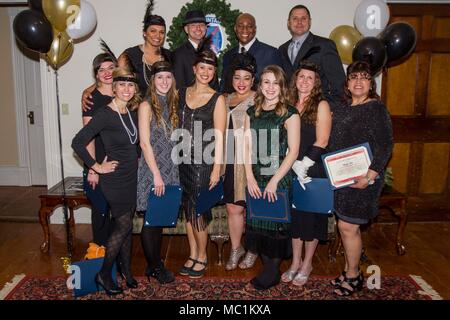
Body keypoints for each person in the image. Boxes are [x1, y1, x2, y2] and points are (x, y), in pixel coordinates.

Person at [72, 68, 141, 295]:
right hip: (114, 179)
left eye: (130, 85)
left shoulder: (130, 111)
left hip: (131, 177)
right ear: (114, 88)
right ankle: (104, 272)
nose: (126, 89)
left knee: (127, 225)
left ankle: (127, 272)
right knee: (123, 226)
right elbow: (78, 142)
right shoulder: (105, 113)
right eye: (121, 85)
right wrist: (96, 166)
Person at [328, 61, 393, 296]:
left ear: (371, 83)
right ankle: (347, 270)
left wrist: (370, 176)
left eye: (364, 77)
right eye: (353, 77)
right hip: (343, 178)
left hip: (365, 179)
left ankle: (354, 277)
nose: (358, 81)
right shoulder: (344, 108)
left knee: (348, 226)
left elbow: (386, 146)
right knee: (344, 226)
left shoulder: (376, 108)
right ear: (347, 82)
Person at [244, 65, 300, 290]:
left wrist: (275, 181)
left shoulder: (290, 113)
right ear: (260, 86)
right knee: (259, 226)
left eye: (275, 82)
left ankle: (270, 273)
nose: (270, 87)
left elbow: (294, 151)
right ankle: (270, 271)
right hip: (256, 178)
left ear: (282, 86)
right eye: (266, 82)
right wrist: (249, 177)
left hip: (279, 178)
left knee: (275, 228)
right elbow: (246, 148)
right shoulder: (252, 112)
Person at [281, 61, 332, 286]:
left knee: (311, 219)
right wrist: (291, 162)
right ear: (295, 79)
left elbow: (323, 139)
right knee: (295, 219)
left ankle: (307, 263)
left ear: (316, 82)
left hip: (312, 168)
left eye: (310, 78)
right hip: (290, 166)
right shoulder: (288, 103)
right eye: (301, 77)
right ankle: (294, 262)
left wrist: (303, 164)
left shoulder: (320, 104)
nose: (304, 81)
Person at [177, 49, 227, 278]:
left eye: (210, 68)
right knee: (187, 210)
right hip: (182, 160)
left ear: (213, 71)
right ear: (194, 69)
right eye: (202, 67)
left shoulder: (218, 99)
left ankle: (203, 256)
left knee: (197, 210)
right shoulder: (180, 93)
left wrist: (217, 169)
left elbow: (220, 137)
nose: (206, 72)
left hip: (204, 163)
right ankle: (193, 252)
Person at [136, 61, 179, 284]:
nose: (164, 81)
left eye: (168, 77)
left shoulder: (172, 103)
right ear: (153, 81)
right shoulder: (146, 106)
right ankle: (154, 266)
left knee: (159, 219)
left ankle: (154, 263)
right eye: (160, 77)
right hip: (153, 170)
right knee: (151, 221)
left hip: (170, 169)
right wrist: (156, 175)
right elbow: (144, 143)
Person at [82, 2, 170, 108]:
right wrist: (89, 90)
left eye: (162, 32)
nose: (157, 35)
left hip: (164, 110)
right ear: (144, 33)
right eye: (153, 31)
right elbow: (114, 78)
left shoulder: (169, 56)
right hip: (136, 112)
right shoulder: (129, 56)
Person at [222, 52, 258, 271]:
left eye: (246, 78)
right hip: (229, 161)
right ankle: (237, 248)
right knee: (233, 209)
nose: (241, 82)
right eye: (237, 78)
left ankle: (253, 249)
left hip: (252, 162)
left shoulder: (260, 99)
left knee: (253, 209)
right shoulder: (225, 99)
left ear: (253, 80)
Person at [278, 5, 345, 110]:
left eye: (303, 18)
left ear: (310, 22)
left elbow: (339, 84)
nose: (299, 22)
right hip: (290, 111)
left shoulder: (324, 45)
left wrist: (328, 109)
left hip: (317, 111)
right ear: (288, 23)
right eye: (295, 18)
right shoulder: (282, 49)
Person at [82, 53, 116, 248]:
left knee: (118, 214)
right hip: (100, 164)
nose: (106, 73)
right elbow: (88, 137)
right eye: (101, 70)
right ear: (96, 74)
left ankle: (116, 256)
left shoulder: (124, 93)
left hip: (120, 163)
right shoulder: (91, 99)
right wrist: (93, 168)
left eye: (110, 68)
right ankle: (100, 256)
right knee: (101, 213)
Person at [220, 13, 282, 92]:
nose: (244, 29)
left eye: (249, 26)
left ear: (255, 29)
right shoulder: (228, 55)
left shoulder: (271, 53)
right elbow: (223, 86)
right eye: (240, 26)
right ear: (235, 28)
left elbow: (279, 85)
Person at [173, 10, 214, 89]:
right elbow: (179, 86)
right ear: (186, 29)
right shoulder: (178, 54)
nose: (198, 28)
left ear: (206, 28)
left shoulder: (210, 53)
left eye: (201, 25)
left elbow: (214, 84)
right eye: (193, 25)